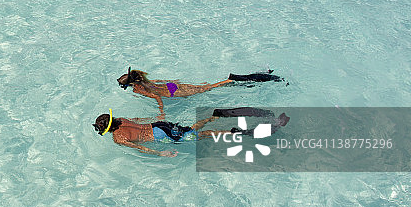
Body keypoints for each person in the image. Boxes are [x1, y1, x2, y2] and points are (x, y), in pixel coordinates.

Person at [93, 107, 289, 157]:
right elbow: (141, 121)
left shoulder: (118, 138)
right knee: (193, 129)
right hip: (161, 125)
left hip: (161, 136)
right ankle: (214, 117)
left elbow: (139, 148)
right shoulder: (122, 120)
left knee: (203, 134)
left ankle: (235, 132)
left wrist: (160, 152)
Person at [116, 67, 282, 112]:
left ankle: (234, 79)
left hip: (174, 92)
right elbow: (161, 82)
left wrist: (161, 112)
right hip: (173, 87)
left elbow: (156, 97)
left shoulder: (138, 89)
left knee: (211, 88)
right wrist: (176, 82)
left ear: (130, 85)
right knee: (206, 87)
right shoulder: (142, 80)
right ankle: (257, 75)